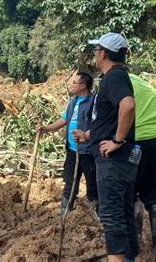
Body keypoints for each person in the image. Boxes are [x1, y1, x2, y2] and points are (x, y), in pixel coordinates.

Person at [88, 32, 138, 262]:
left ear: (104, 53)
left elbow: (127, 106)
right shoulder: (117, 76)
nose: (95, 54)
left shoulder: (114, 76)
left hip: (113, 161)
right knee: (124, 212)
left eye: (96, 50)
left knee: (111, 215)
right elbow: (110, 118)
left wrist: (117, 141)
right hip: (123, 158)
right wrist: (90, 134)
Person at [36, 72, 98, 216]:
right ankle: (66, 209)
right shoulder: (73, 101)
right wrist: (46, 128)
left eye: (74, 82)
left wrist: (86, 135)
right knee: (70, 180)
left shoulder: (94, 102)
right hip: (72, 149)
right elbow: (64, 120)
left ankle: (96, 211)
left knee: (92, 182)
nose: (72, 85)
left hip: (87, 150)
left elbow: (99, 124)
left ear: (83, 86)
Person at [129, 73, 156, 261]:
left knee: (130, 193)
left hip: (137, 145)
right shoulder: (148, 86)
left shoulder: (118, 83)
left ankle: (134, 240)